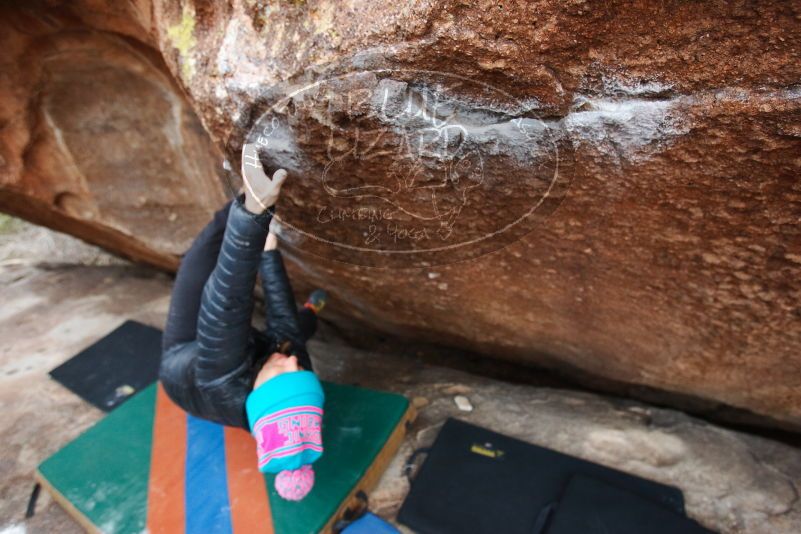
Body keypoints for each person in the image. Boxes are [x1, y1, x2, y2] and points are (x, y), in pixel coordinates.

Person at [159, 143, 326, 499]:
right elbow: (284, 328)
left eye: (287, 374)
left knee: (198, 261)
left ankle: (242, 195)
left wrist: (254, 214)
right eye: (303, 372)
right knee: (295, 331)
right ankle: (312, 313)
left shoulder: (223, 378)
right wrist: (269, 253)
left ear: (259, 392)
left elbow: (227, 302)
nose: (295, 364)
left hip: (185, 361)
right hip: (248, 358)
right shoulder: (287, 376)